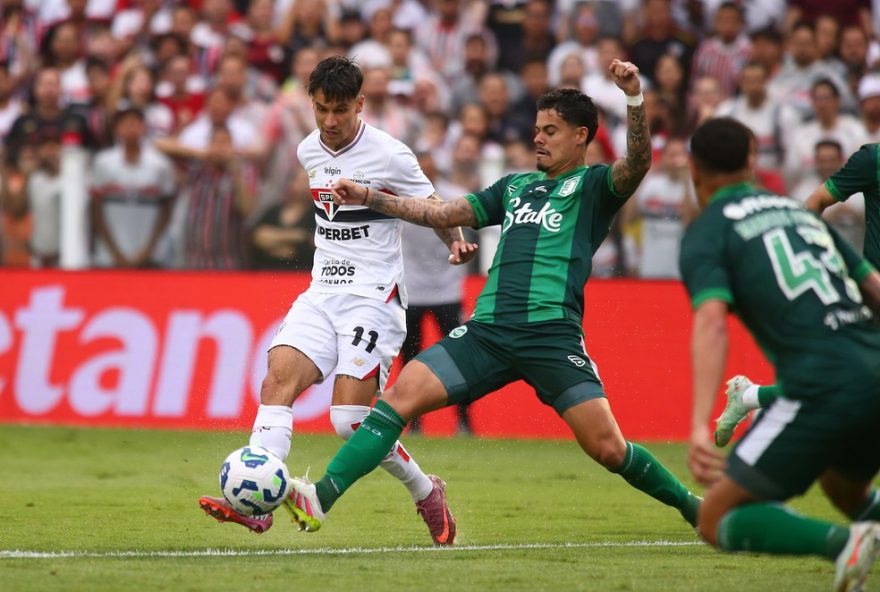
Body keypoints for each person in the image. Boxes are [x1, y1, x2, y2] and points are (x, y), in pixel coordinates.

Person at [282, 61, 702, 539]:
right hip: (487, 333)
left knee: (609, 449)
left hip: (551, 335)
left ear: (581, 136)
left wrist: (633, 99)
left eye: (551, 131)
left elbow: (639, 163)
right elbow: (440, 211)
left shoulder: (594, 188)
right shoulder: (515, 187)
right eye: (536, 129)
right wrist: (371, 197)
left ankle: (693, 506)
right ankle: (319, 499)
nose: (538, 139)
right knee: (395, 401)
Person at [198, 56, 475, 546]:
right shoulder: (309, 150)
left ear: (360, 105)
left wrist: (453, 240)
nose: (330, 120)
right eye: (322, 109)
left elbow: (434, 204)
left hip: (373, 298)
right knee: (277, 381)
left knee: (349, 422)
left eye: (340, 110)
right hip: (321, 291)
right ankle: (262, 503)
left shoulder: (390, 154)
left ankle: (426, 491)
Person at [681, 117, 880, 591]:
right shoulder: (797, 214)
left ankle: (843, 543)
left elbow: (711, 322)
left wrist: (696, 423)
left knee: (714, 516)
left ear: (693, 169)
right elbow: (873, 285)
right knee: (842, 485)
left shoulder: (708, 231)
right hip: (874, 363)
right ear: (752, 160)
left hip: (821, 383)